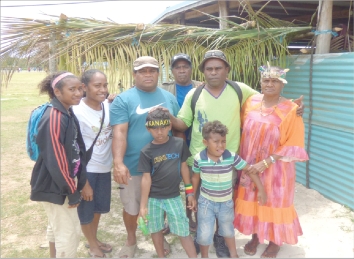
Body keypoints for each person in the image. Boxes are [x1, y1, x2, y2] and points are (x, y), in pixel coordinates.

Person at [162, 49, 305, 257]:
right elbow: (183, 123)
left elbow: (274, 101)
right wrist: (169, 118)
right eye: (209, 69)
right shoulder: (197, 94)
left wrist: (295, 107)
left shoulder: (241, 91)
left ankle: (223, 240)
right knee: (203, 204)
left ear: (227, 70)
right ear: (203, 71)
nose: (213, 72)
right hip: (203, 162)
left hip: (233, 163)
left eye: (218, 68)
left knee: (226, 205)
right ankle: (203, 237)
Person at [233, 64, 309, 258]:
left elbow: (293, 142)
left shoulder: (291, 109)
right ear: (260, 82)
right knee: (254, 199)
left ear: (282, 85)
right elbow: (242, 129)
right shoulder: (250, 102)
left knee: (275, 201)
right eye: (266, 80)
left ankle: (275, 242)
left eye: (275, 81)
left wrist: (265, 162)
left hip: (277, 169)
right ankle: (256, 236)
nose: (269, 84)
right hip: (250, 165)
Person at [110, 56, 180, 258]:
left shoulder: (169, 98)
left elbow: (176, 129)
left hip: (164, 166)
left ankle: (159, 237)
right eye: (142, 71)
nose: (148, 74)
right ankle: (131, 241)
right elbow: (120, 133)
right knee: (132, 207)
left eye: (152, 70)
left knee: (160, 204)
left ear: (159, 73)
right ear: (134, 74)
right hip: (134, 166)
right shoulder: (124, 99)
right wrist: (118, 163)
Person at [30, 71, 88, 258]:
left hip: (60, 183)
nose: (78, 93)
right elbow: (56, 158)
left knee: (57, 226)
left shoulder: (66, 112)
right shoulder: (55, 116)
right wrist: (71, 191)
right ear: (57, 92)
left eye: (80, 88)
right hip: (57, 185)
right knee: (69, 233)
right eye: (72, 89)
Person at [192, 120, 266, 258]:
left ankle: (234, 254)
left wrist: (261, 189)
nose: (220, 145)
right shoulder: (199, 158)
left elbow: (249, 170)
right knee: (204, 233)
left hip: (225, 203)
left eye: (223, 141)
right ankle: (204, 256)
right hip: (205, 202)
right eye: (216, 142)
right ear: (205, 142)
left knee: (227, 230)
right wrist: (191, 196)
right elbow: (195, 177)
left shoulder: (231, 157)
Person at [138, 108, 197, 258]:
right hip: (153, 199)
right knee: (155, 229)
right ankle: (160, 255)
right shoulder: (146, 151)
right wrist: (143, 206)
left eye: (164, 127)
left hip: (174, 197)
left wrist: (189, 192)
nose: (160, 132)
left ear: (170, 126)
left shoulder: (179, 144)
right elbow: (146, 178)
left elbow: (184, 168)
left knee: (183, 230)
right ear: (148, 128)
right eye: (155, 128)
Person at [73, 69, 115, 258]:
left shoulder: (107, 105)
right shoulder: (77, 111)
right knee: (86, 210)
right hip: (87, 169)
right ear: (84, 87)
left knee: (98, 207)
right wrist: (83, 182)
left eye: (105, 85)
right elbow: (73, 149)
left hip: (105, 167)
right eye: (97, 85)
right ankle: (91, 245)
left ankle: (94, 238)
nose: (103, 89)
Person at [160, 53, 202, 234]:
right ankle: (167, 221)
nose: (182, 70)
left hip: (195, 142)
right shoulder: (164, 88)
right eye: (178, 67)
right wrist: (112, 97)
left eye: (186, 66)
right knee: (168, 182)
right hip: (171, 142)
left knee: (191, 182)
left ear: (191, 68)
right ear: (172, 71)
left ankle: (188, 216)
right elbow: (139, 93)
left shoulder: (201, 86)